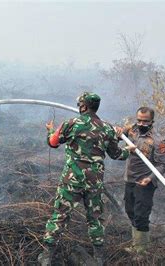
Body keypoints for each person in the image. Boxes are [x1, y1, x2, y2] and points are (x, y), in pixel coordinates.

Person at [38, 92, 135, 266]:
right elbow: (116, 154)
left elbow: (53, 142)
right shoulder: (108, 128)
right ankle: (99, 257)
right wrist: (129, 149)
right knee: (95, 218)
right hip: (94, 181)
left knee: (60, 215)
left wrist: (50, 130)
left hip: (72, 179)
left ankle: (47, 255)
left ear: (83, 106)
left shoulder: (71, 123)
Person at [115, 107, 165, 254]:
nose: (141, 123)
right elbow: (116, 136)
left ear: (152, 121)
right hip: (129, 179)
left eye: (145, 121)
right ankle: (136, 243)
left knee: (141, 215)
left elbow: (162, 165)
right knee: (130, 211)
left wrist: (149, 178)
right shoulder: (131, 130)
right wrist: (118, 132)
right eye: (139, 120)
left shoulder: (158, 140)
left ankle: (141, 249)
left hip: (145, 183)